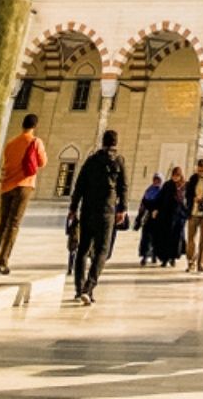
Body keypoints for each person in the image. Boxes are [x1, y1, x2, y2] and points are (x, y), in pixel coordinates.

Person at [68, 128, 128, 305]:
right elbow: (123, 187)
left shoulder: (91, 160)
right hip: (106, 211)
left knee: (83, 249)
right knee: (102, 250)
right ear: (116, 143)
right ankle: (89, 287)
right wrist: (122, 209)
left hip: (87, 210)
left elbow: (79, 185)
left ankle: (79, 290)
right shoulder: (118, 161)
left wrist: (73, 208)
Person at [0, 112, 47, 276]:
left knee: (1, 225)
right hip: (23, 185)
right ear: (35, 127)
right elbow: (42, 162)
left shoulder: (11, 143)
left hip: (6, 186)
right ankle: (2, 262)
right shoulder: (35, 141)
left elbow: (6, 162)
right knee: (13, 224)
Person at [151, 165, 186, 267]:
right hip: (166, 216)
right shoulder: (167, 185)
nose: (175, 178)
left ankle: (173, 258)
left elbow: (186, 201)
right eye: (174, 175)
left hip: (178, 217)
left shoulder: (183, 186)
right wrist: (156, 209)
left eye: (177, 176)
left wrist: (185, 214)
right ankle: (165, 259)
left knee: (175, 238)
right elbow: (160, 198)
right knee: (165, 237)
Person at [185, 158, 203, 273]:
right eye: (200, 170)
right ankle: (191, 262)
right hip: (193, 212)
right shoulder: (193, 178)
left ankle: (201, 263)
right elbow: (187, 194)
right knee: (191, 238)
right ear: (196, 168)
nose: (201, 171)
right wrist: (194, 199)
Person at [135, 173, 163, 265]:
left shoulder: (162, 191)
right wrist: (139, 217)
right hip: (147, 217)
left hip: (157, 218)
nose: (156, 181)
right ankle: (145, 256)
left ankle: (155, 255)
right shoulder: (149, 190)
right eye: (155, 179)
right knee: (146, 237)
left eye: (158, 180)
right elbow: (143, 204)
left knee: (156, 238)